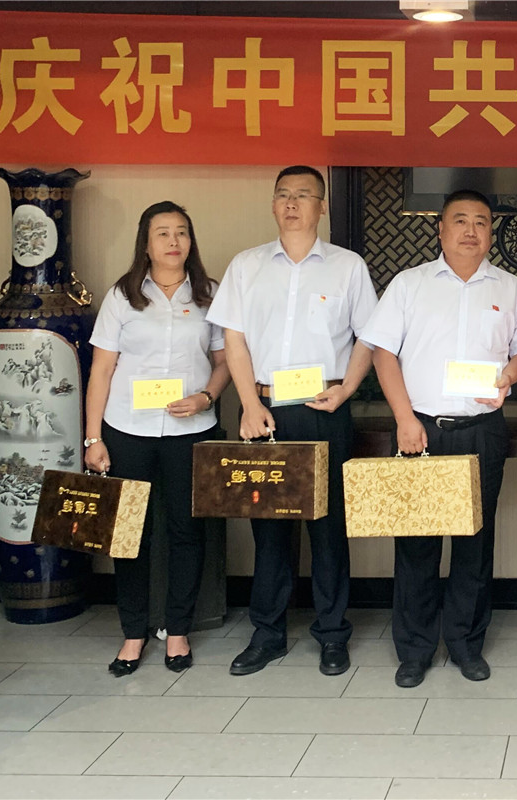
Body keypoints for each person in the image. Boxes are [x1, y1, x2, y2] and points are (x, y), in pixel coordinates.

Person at [206, 166, 378, 677]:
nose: (292, 204)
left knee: (328, 528)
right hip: (264, 410)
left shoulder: (347, 267)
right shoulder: (247, 265)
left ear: (322, 207)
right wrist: (248, 404)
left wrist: (347, 388)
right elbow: (233, 340)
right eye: (283, 195)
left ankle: (332, 634)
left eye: (303, 195)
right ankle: (268, 634)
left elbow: (369, 338)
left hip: (325, 408)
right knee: (269, 530)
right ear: (273, 204)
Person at [361, 189, 517, 688]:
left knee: (474, 544)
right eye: (460, 220)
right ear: (440, 229)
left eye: (481, 222)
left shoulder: (509, 288)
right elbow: (382, 353)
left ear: (491, 233)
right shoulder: (409, 284)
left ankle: (465, 644)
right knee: (416, 543)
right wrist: (403, 418)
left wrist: (508, 376)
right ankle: (415, 649)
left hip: (481, 430)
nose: (470, 231)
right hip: (419, 428)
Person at [85, 201, 231, 676]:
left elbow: (225, 361)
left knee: (186, 532)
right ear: (145, 244)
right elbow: (101, 370)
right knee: (130, 533)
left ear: (191, 241)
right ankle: (133, 633)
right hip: (127, 428)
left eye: (182, 232)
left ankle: (179, 630)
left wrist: (206, 397)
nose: (173, 241)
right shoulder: (122, 295)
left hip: (190, 431)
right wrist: (92, 438)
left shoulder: (209, 294)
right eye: (163, 233)